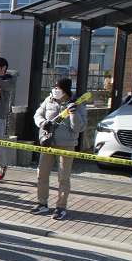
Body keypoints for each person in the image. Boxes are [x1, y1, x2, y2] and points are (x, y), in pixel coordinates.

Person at [31, 78, 87, 220]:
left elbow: (79, 128)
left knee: (63, 178)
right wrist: (43, 123)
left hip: (66, 145)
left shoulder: (78, 104)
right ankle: (42, 203)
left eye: (58, 88)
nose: (55, 90)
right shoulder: (49, 100)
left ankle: (61, 207)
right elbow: (38, 114)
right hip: (48, 143)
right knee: (41, 174)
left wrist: (74, 112)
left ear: (65, 90)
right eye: (54, 87)